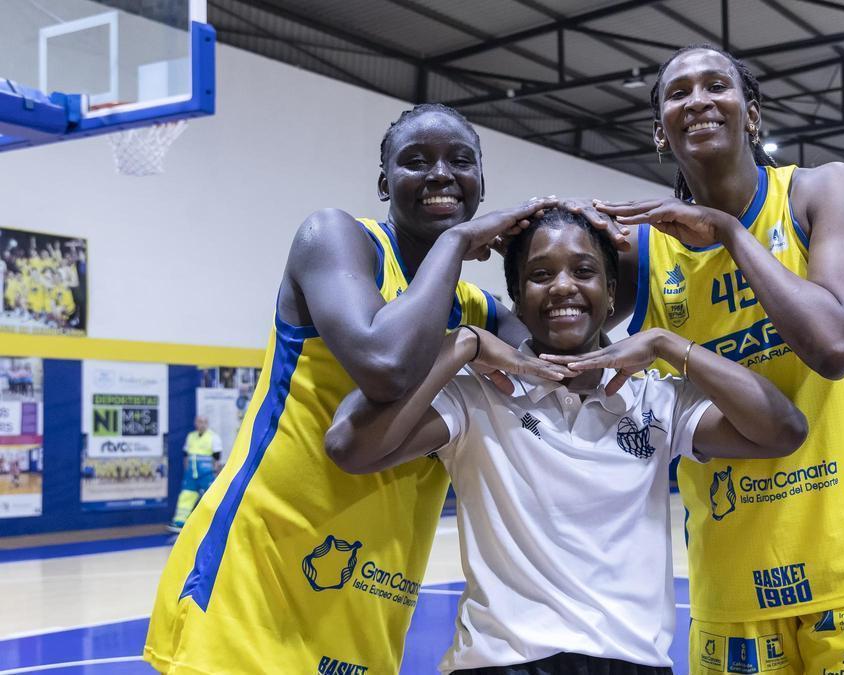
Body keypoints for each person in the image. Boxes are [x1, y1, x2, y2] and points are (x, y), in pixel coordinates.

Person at [144, 104, 556, 674]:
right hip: (258, 576)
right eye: (416, 161)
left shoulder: (477, 310)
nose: (440, 173)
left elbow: (568, 358)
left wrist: (580, 248)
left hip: (369, 597)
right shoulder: (336, 238)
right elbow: (384, 363)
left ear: (481, 184)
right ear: (385, 183)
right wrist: (457, 243)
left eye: (460, 161)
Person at [325, 208, 808, 675]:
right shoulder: (478, 398)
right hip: (501, 664)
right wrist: (463, 344)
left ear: (610, 290)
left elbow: (784, 430)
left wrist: (667, 345)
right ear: (516, 294)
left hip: (633, 661)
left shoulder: (655, 399)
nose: (562, 287)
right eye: (539, 274)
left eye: (583, 271)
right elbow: (352, 448)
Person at [591, 45, 844, 675]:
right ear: (659, 131)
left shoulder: (820, 190)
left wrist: (729, 232)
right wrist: (543, 242)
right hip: (730, 583)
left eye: (715, 85)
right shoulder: (640, 252)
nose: (697, 100)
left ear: (752, 114)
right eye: (677, 93)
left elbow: (833, 347)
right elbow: (550, 330)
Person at [167, 415, 224, 532]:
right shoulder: (191, 436)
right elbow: (186, 455)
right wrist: (187, 470)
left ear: (207, 423)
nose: (201, 424)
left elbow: (217, 457)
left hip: (207, 474)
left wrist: (216, 473)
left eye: (204, 422)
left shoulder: (213, 437)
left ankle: (216, 522)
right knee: (186, 496)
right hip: (191, 474)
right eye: (199, 421)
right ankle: (180, 521)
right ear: (195, 423)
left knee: (211, 497)